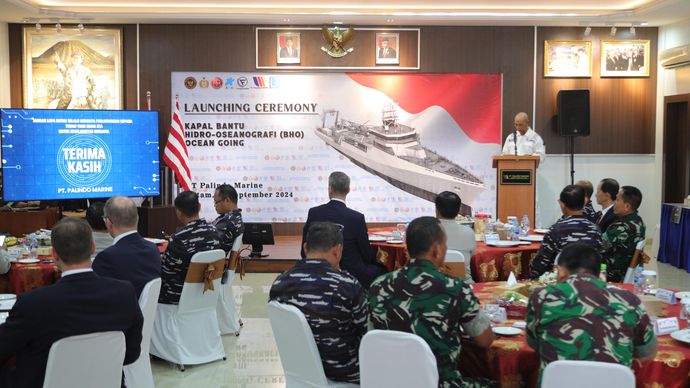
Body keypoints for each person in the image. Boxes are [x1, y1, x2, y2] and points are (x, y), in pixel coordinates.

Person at [0, 218, 143, 388]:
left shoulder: (33, 303)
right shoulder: (124, 293)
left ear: (54, 255)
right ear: (93, 248)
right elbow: (131, 354)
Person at [369, 216, 496, 388]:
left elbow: (372, 336)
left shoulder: (378, 286)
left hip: (389, 383)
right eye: (445, 244)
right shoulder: (455, 288)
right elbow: (485, 340)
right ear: (436, 250)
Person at [526, 243, 657, 385]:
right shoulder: (630, 301)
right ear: (599, 274)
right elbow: (647, 353)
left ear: (561, 271)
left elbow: (534, 342)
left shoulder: (542, 296)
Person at [270, 222, 367, 384]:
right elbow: (364, 335)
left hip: (299, 370)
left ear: (306, 248)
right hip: (344, 373)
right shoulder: (347, 285)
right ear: (337, 251)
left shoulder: (280, 283)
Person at [301, 171, 386, 288]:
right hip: (353, 274)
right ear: (348, 190)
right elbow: (366, 254)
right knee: (383, 270)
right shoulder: (356, 217)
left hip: (316, 273)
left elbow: (303, 251)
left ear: (330, 188)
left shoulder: (314, 212)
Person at [159, 191, 222, 305]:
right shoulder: (215, 232)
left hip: (178, 297)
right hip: (208, 292)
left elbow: (165, 274)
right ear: (199, 207)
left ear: (178, 212)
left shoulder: (178, 239)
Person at [92, 196, 161, 298]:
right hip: (147, 312)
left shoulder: (106, 258)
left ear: (108, 223)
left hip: (119, 312)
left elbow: (96, 296)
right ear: (137, 219)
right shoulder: (153, 249)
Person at [529, 185, 604, 278]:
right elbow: (600, 259)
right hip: (591, 281)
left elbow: (541, 264)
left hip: (563, 283)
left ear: (562, 205)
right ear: (584, 203)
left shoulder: (556, 230)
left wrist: (531, 278)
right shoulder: (595, 230)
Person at [602, 186, 646, 282]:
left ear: (627, 206)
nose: (614, 203)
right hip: (623, 271)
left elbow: (598, 247)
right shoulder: (639, 222)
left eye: (617, 200)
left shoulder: (620, 227)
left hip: (610, 274)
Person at [435, 191, 475, 283]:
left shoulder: (426, 231)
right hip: (464, 284)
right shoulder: (469, 232)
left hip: (433, 284)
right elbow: (471, 256)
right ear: (458, 211)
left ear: (437, 210)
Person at [211, 184, 244, 254]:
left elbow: (206, 243)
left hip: (211, 262)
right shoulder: (234, 217)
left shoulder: (227, 222)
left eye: (216, 202)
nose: (214, 205)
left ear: (227, 200)